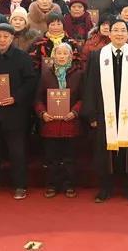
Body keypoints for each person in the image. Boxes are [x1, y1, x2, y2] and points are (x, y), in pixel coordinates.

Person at [82, 19, 128, 203]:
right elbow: (90, 86)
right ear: (109, 33)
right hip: (105, 112)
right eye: (116, 30)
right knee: (106, 150)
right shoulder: (97, 56)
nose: (119, 34)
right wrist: (92, 114)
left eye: (123, 30)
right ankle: (105, 187)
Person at [0, 23, 37, 200]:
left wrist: (16, 97)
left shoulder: (22, 57)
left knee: (17, 151)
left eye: (6, 37)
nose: (2, 40)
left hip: (15, 112)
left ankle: (20, 185)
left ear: (12, 38)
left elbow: (30, 82)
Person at [34, 42, 84, 198]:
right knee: (51, 158)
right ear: (53, 56)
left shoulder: (78, 74)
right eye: (59, 53)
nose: (61, 57)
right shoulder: (45, 74)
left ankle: (69, 185)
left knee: (69, 158)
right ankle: (52, 185)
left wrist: (75, 112)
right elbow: (37, 99)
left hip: (70, 123)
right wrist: (42, 113)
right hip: (51, 124)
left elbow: (84, 98)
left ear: (70, 56)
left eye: (65, 54)